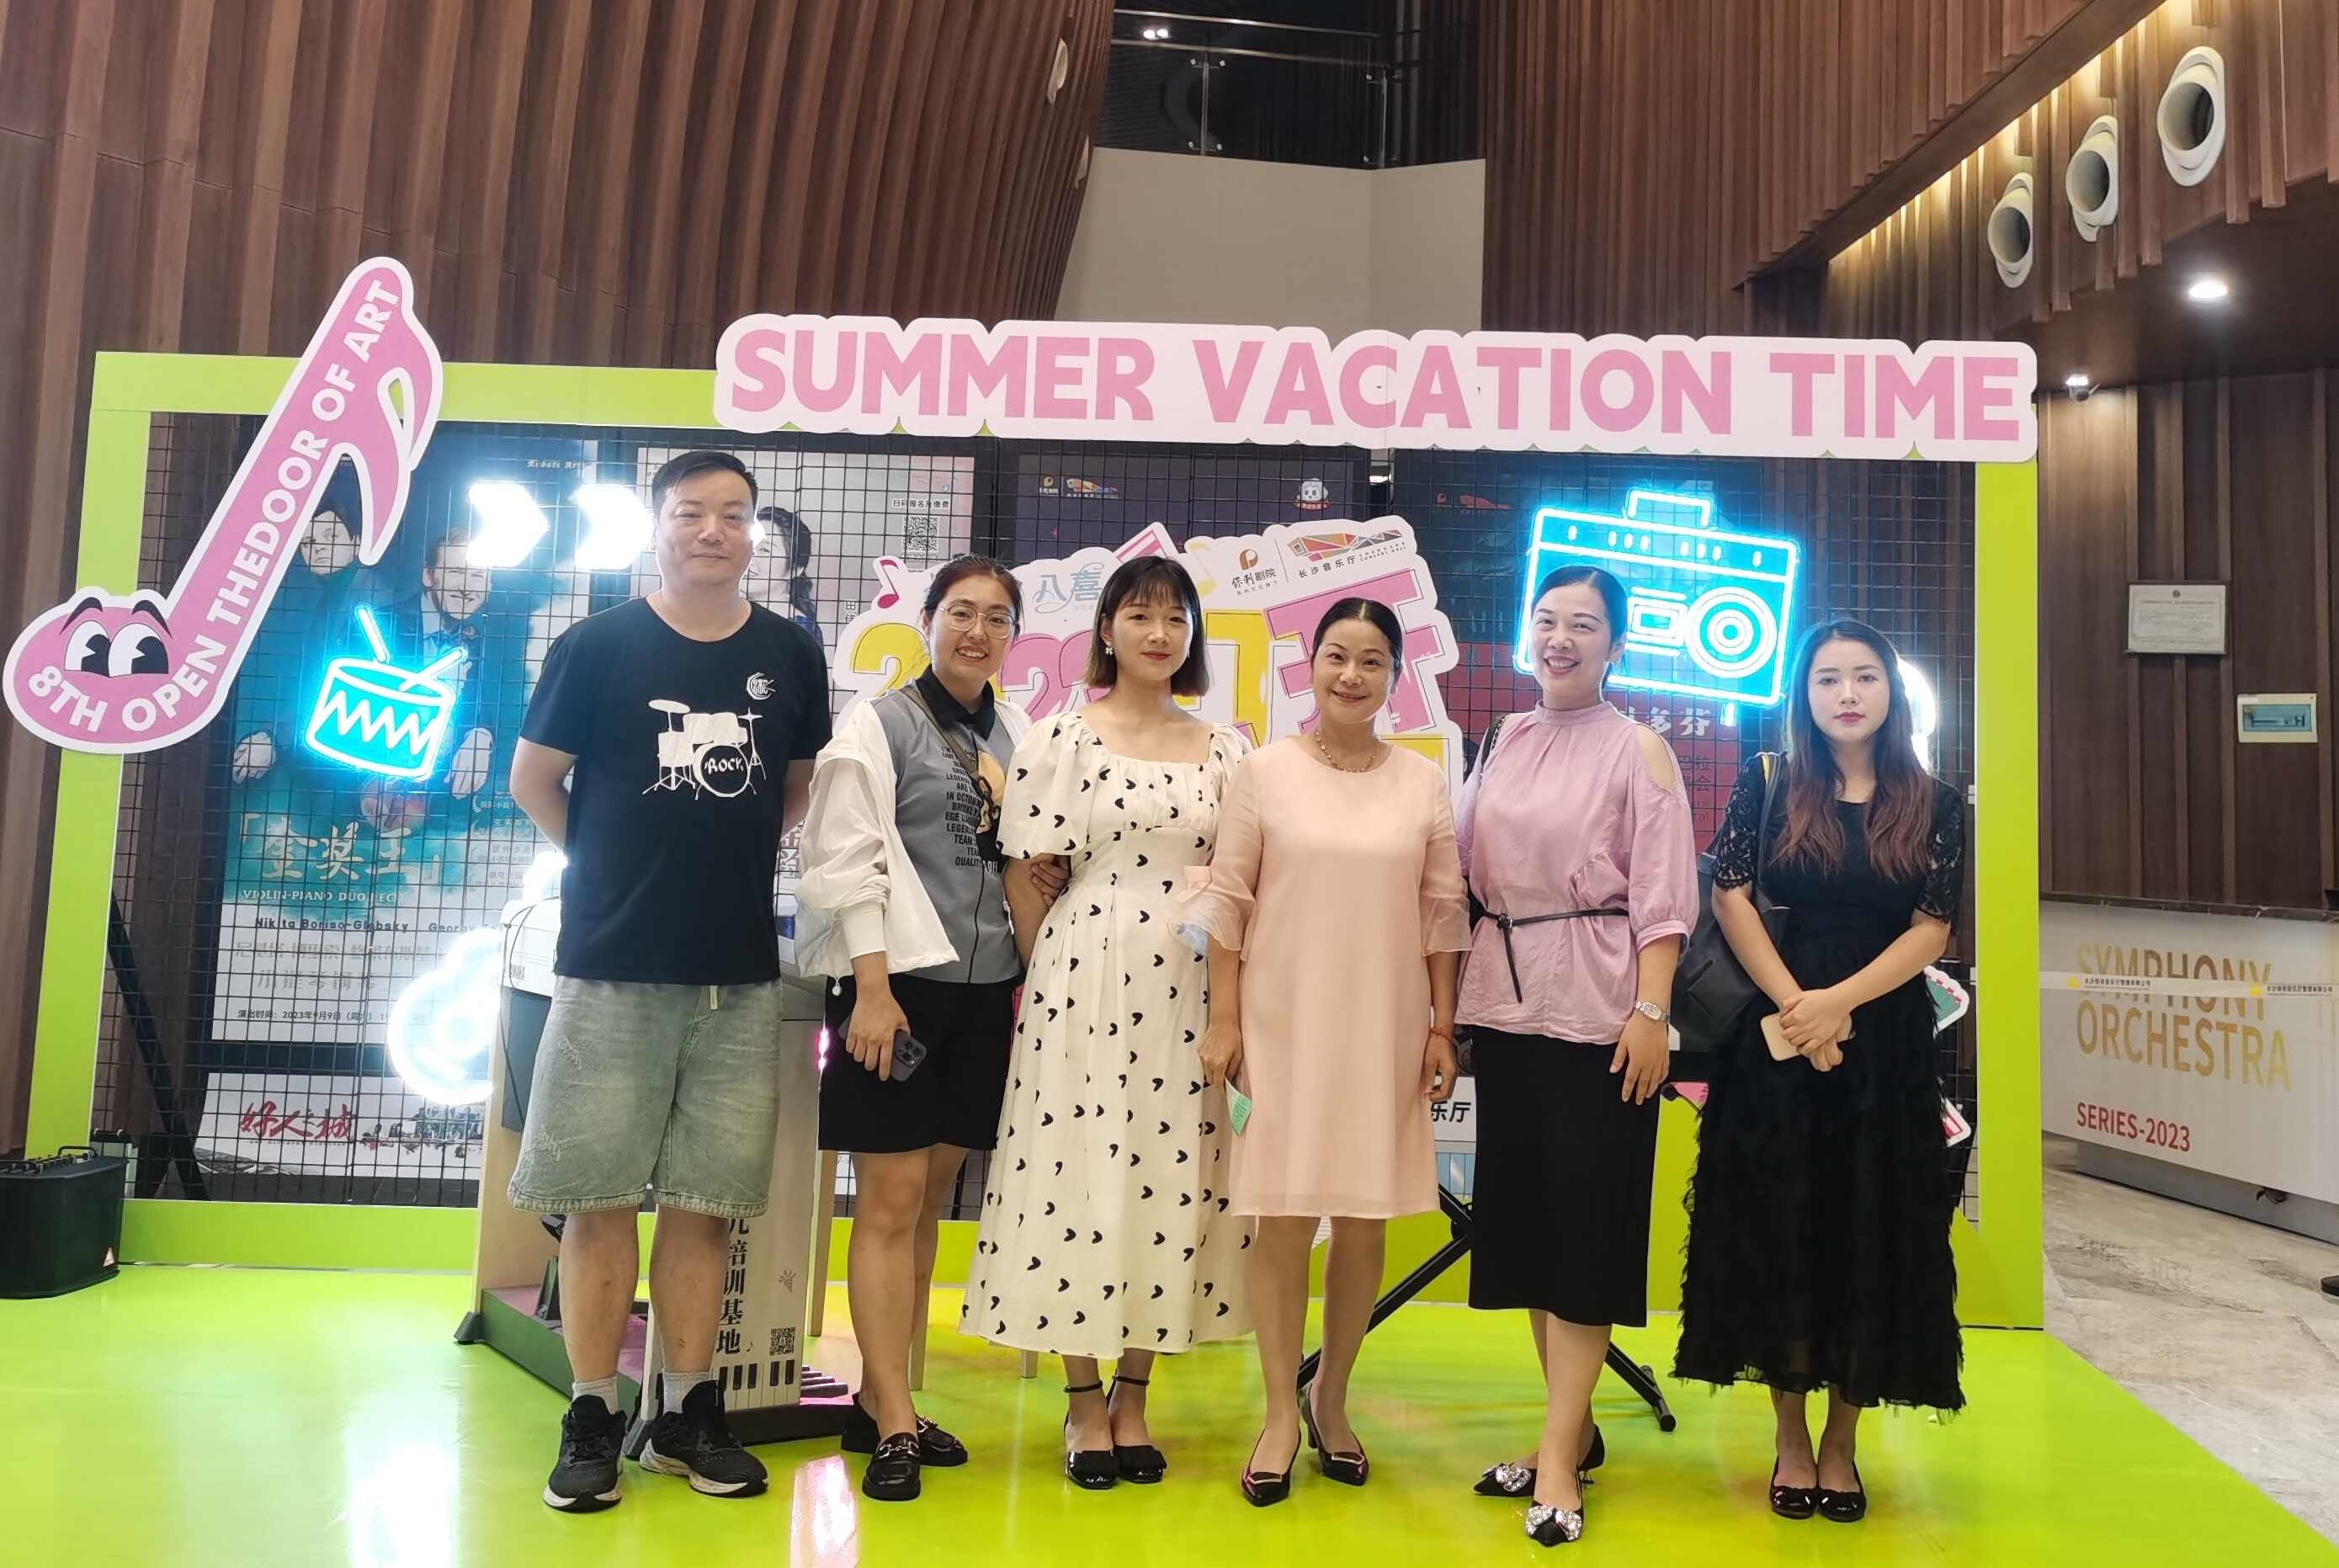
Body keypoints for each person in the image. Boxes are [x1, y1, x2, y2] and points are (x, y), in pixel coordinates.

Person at [504, 449, 831, 1512]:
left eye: (733, 514)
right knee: (598, 1202)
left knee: (706, 1206)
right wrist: (605, 865)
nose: (713, 530)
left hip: (736, 979)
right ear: (658, 527)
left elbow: (793, 790)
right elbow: (532, 779)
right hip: (608, 969)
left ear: (753, 534)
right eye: (691, 512)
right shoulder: (596, 645)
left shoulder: (788, 653)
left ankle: (686, 1416)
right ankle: (593, 1413)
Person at [962, 554, 1252, 1491]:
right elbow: (1026, 873)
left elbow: (1239, 879)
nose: (1158, 634)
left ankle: (1135, 1394)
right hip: (1083, 975)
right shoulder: (1062, 738)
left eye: (1175, 619)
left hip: (1191, 982)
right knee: (1075, 1173)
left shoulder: (1226, 750)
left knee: (1172, 1172)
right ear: (1106, 630)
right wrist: (1044, 978)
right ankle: (1082, 1401)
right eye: (1139, 615)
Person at [1673, 619, 1966, 1525]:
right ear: (1803, 694)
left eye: (1864, 676)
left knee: (1870, 1232)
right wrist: (1799, 1006)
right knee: (1782, 1230)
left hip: (1884, 1049)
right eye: (1828, 678)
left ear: (1891, 691)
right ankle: (1791, 1440)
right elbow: (1728, 892)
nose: (1846, 693)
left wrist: (1838, 1003)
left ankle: (1842, 1443)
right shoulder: (1768, 780)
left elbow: (1932, 928)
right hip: (1774, 1041)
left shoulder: (1935, 801)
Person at [1179, 598, 1469, 1506]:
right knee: (1281, 1215)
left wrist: (1441, 1025)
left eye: (1372, 660)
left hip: (1385, 1023)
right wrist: (1225, 1021)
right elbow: (1226, 902)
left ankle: (1330, 1398)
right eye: (1337, 655)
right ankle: (1277, 1410)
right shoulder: (1262, 771)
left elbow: (1441, 913)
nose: (1352, 675)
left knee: (1364, 1219)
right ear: (1310, 665)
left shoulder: (1421, 781)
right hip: (1280, 1021)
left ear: (1394, 677)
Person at [795, 556, 1065, 1502]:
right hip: (896, 991)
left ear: (1013, 636)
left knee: (929, 1200)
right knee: (889, 1200)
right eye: (960, 613)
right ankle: (895, 1421)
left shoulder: (1019, 733)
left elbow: (1027, 859)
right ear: (927, 621)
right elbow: (846, 860)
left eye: (997, 618)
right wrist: (871, 990)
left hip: (985, 994)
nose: (977, 632)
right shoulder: (880, 723)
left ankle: (884, 1396)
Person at [1454, 565, 1697, 1549]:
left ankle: (1558, 1464)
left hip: (1602, 1015)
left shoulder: (1639, 749)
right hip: (1507, 1008)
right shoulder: (1503, 738)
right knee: (1528, 1234)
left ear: (1616, 646)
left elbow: (1664, 896)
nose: (1560, 638)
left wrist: (1651, 1011)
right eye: (1547, 620)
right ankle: (1573, 1430)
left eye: (1584, 625)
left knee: (1588, 1236)